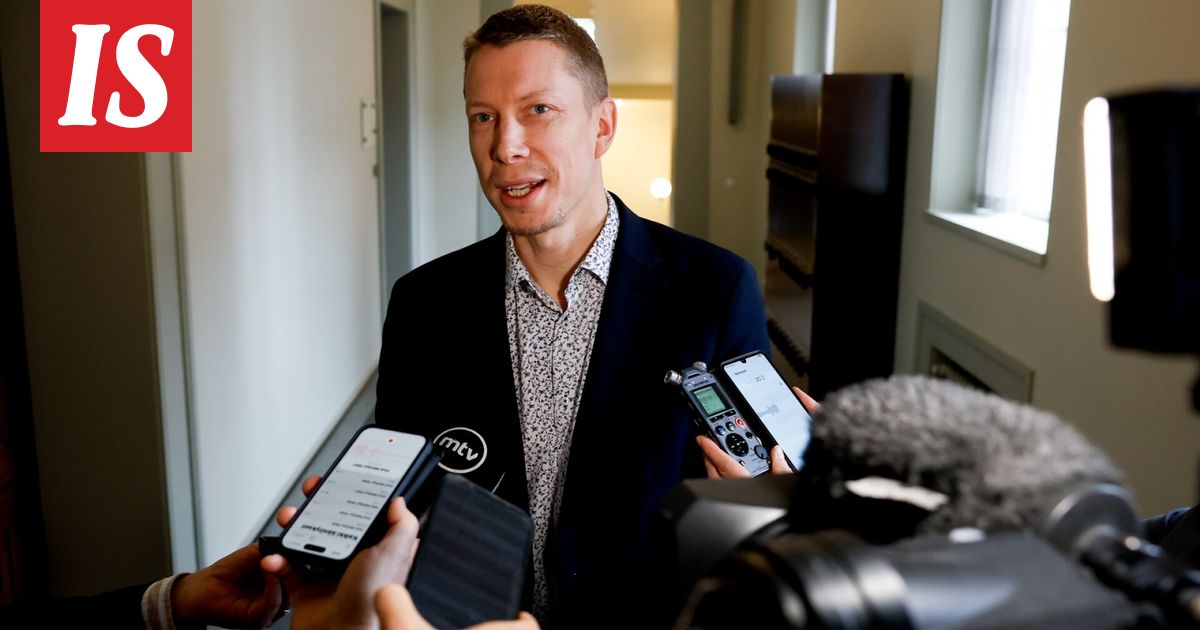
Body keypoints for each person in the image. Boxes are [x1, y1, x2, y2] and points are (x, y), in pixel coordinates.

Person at [372, 4, 771, 625]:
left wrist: (776, 491)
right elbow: (402, 497)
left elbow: (752, 490)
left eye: (538, 109)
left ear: (602, 126)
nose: (505, 146)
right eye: (483, 117)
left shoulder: (715, 288)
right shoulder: (423, 301)